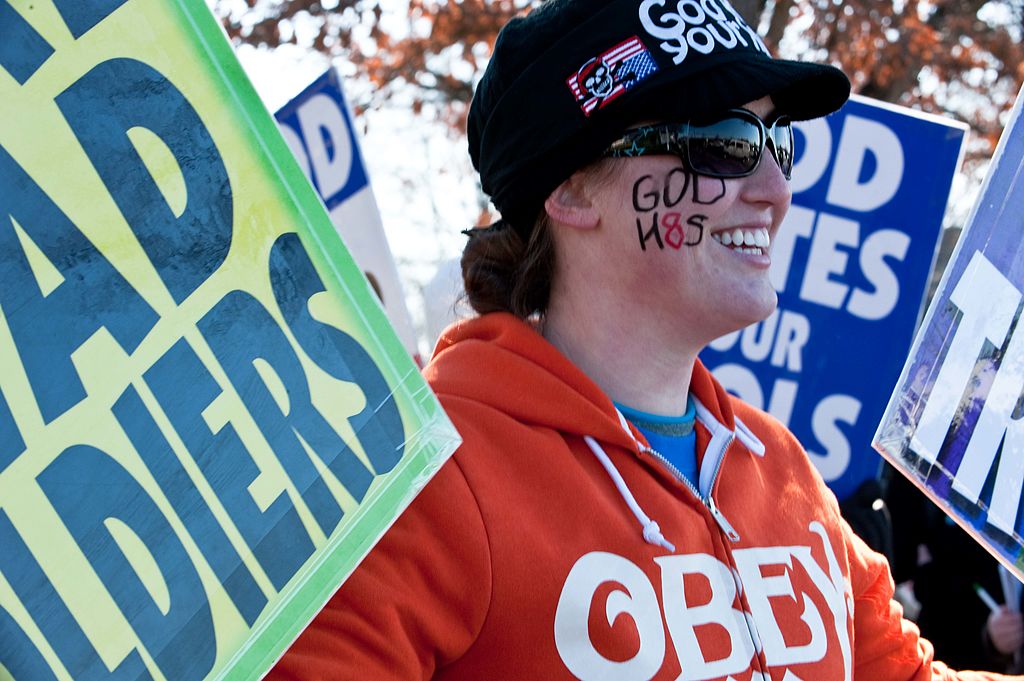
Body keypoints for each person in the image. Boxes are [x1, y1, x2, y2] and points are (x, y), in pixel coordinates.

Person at [270, 0, 1022, 678]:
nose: (776, 189)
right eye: (725, 141)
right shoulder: (421, 476)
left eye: (777, 143)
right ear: (568, 188)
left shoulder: (780, 465)